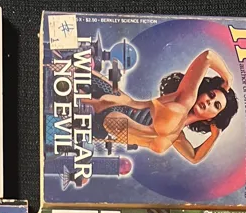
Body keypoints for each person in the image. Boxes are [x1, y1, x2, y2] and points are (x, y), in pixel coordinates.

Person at [85, 48, 238, 158]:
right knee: (76, 73)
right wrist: (228, 77)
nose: (209, 101)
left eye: (216, 105)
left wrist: (214, 136)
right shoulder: (185, 99)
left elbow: (194, 157)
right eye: (211, 95)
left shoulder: (177, 136)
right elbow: (208, 56)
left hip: (103, 127)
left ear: (212, 119)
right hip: (114, 104)